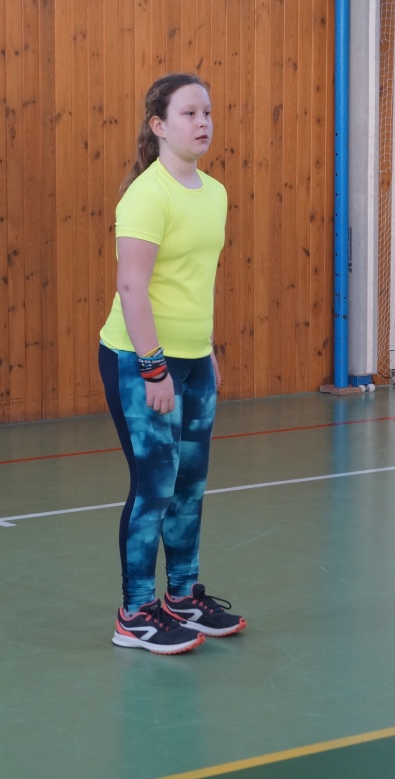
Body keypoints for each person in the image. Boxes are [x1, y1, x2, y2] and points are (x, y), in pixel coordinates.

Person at [98, 73, 246, 654]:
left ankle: (181, 596)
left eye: (207, 111)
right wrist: (154, 368)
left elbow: (193, 282)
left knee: (190, 484)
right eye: (189, 113)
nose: (202, 122)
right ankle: (135, 612)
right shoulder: (146, 195)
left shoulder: (215, 193)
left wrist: (207, 351)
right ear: (159, 126)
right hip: (139, 360)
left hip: (193, 360)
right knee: (155, 486)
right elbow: (132, 288)